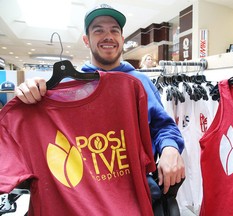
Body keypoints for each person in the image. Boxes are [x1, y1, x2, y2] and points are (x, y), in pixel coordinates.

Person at [15, 4, 185, 195]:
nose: (108, 36)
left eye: (114, 30)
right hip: (84, 191)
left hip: (137, 186)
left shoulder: (141, 82)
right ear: (86, 40)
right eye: (99, 31)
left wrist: (170, 147)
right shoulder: (68, 85)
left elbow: (162, 125)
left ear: (121, 38)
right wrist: (30, 94)